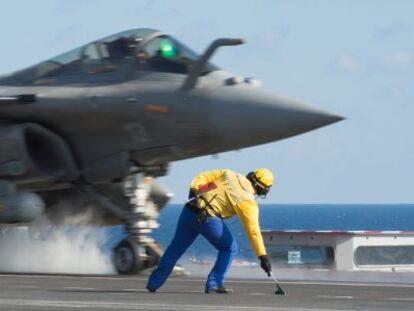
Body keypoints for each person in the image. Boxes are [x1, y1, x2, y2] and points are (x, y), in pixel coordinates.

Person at [146, 168, 274, 294]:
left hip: (189, 210)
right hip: (207, 219)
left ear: (251, 175)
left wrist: (194, 189)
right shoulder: (248, 201)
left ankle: (153, 283)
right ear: (262, 188)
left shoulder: (229, 174)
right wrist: (262, 256)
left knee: (175, 248)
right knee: (230, 248)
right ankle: (214, 283)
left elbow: (203, 176)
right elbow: (253, 232)